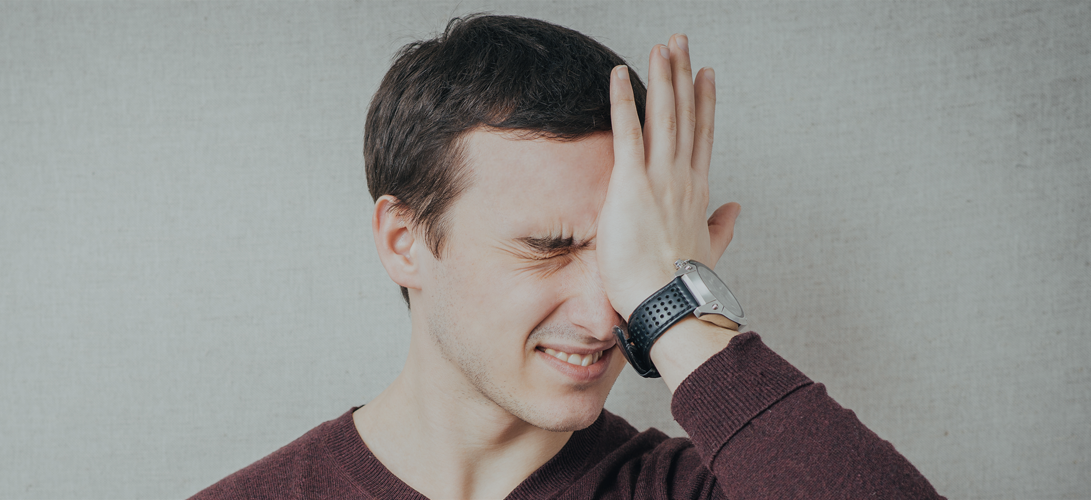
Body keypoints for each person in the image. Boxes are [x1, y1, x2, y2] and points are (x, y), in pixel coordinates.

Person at [193, 14, 942, 499]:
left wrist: (675, 306)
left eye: (626, 256)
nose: (604, 314)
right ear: (405, 241)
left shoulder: (694, 489)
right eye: (549, 249)